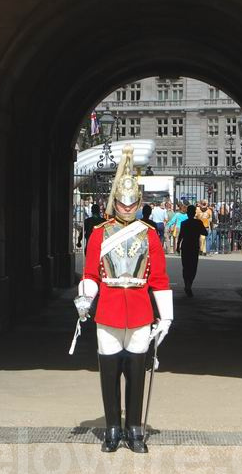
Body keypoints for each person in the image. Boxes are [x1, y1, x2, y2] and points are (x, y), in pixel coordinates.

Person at [74, 145, 173, 453]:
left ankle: (134, 429)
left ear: (138, 202)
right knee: (109, 370)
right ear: (114, 201)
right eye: (122, 202)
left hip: (141, 311)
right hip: (110, 309)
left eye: (131, 203)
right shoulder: (99, 234)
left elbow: (158, 277)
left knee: (135, 371)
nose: (127, 207)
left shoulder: (150, 235)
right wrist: (86, 297)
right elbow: (90, 274)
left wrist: (166, 315)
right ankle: (112, 429)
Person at [177, 205, 208, 297]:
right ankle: (189, 284)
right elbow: (205, 233)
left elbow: (180, 235)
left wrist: (178, 246)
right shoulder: (198, 223)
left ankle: (186, 283)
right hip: (194, 246)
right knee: (193, 267)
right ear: (194, 213)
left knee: (185, 266)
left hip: (185, 246)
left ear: (187, 213)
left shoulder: (184, 223)